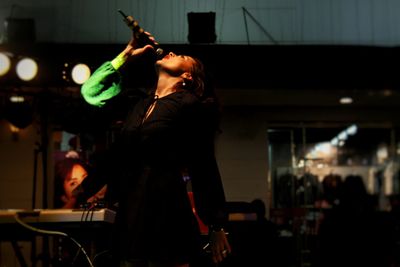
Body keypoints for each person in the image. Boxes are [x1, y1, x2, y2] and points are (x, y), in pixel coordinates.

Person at [78, 29, 231, 267]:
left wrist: (216, 223)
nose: (170, 52)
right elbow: (90, 93)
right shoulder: (138, 104)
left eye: (180, 56)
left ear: (187, 77)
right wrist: (125, 55)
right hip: (131, 211)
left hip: (166, 211)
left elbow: (203, 164)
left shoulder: (189, 105)